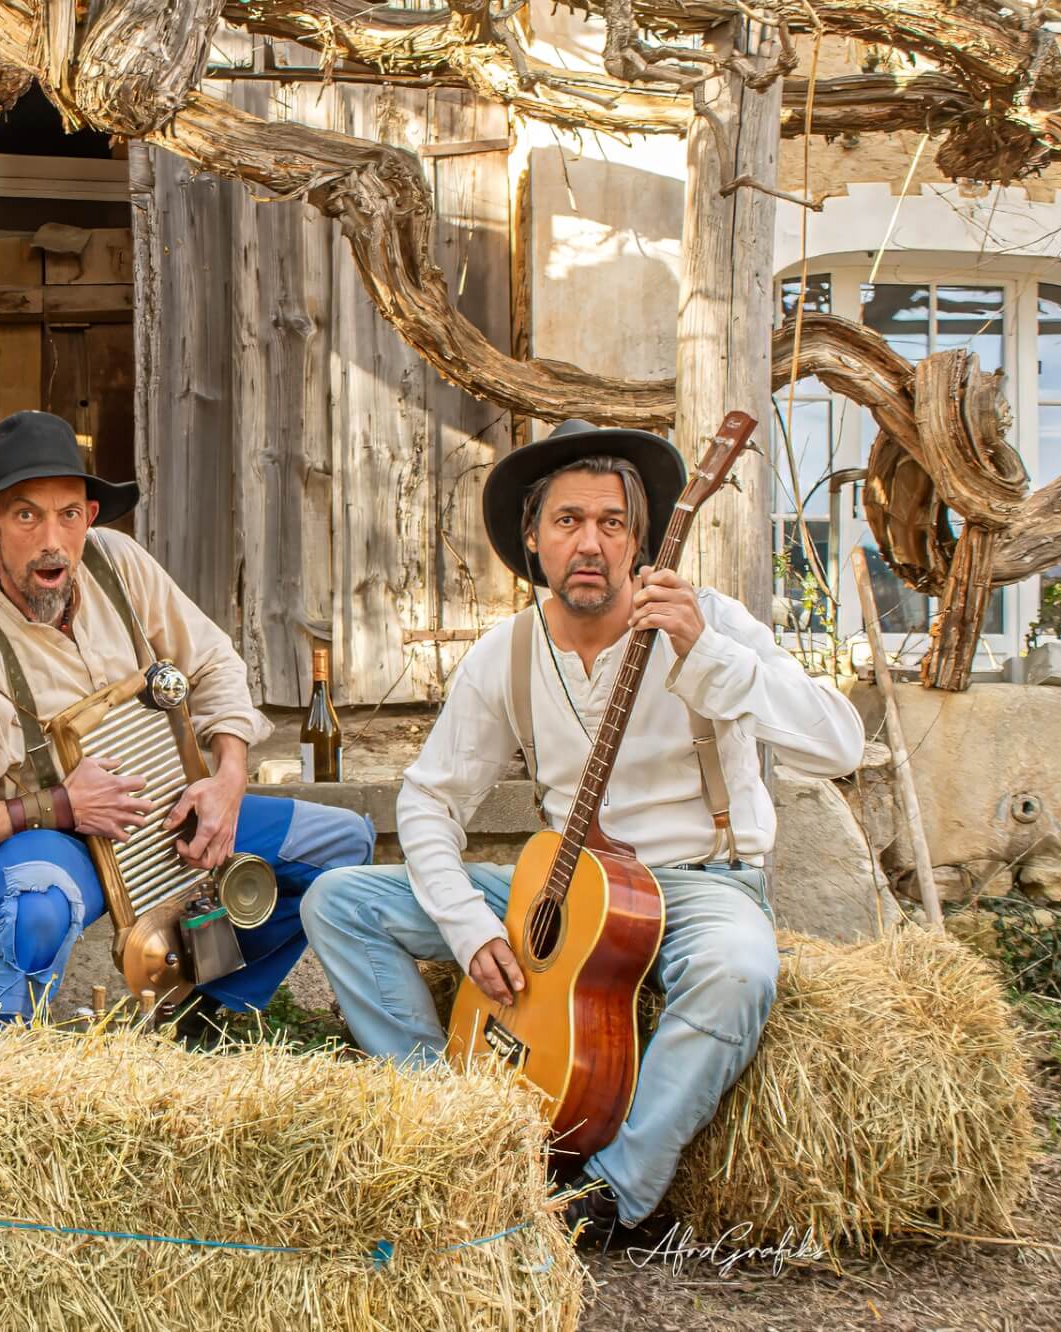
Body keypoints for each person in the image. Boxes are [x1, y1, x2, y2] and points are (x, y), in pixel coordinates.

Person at [300, 418, 864, 1240]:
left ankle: (613, 1196)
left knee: (742, 969)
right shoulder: (507, 654)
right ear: (533, 541)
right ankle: (454, 1128)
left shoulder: (710, 623)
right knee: (338, 901)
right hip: (565, 887)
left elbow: (840, 743)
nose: (590, 543)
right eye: (568, 522)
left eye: (611, 522)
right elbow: (428, 799)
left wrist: (705, 653)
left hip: (695, 887)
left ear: (641, 539)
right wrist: (466, 927)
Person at [0, 411, 375, 1039]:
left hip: (173, 813)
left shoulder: (118, 563)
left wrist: (227, 779)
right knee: (36, 913)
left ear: (90, 516)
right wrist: (58, 805)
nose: (52, 542)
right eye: (26, 515)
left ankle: (204, 1023)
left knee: (343, 848)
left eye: (69, 514)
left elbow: (214, 661)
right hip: (61, 843)